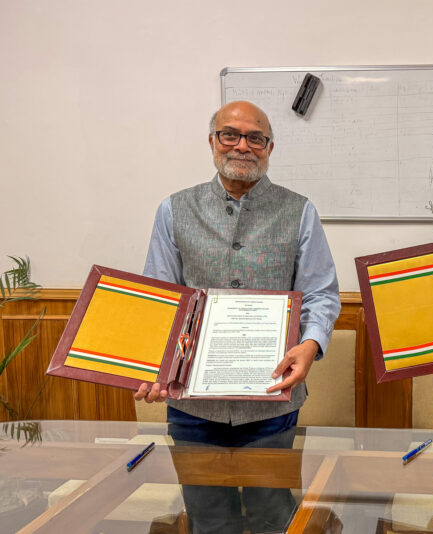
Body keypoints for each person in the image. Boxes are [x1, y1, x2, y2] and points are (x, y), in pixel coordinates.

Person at [135, 100, 340, 534]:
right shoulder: (174, 210)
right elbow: (159, 300)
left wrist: (310, 344)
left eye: (255, 138)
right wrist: (157, 363)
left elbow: (321, 294)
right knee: (208, 519)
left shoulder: (299, 210)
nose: (242, 146)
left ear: (269, 147)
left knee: (273, 517)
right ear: (212, 141)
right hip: (192, 405)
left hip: (271, 399)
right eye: (230, 134)